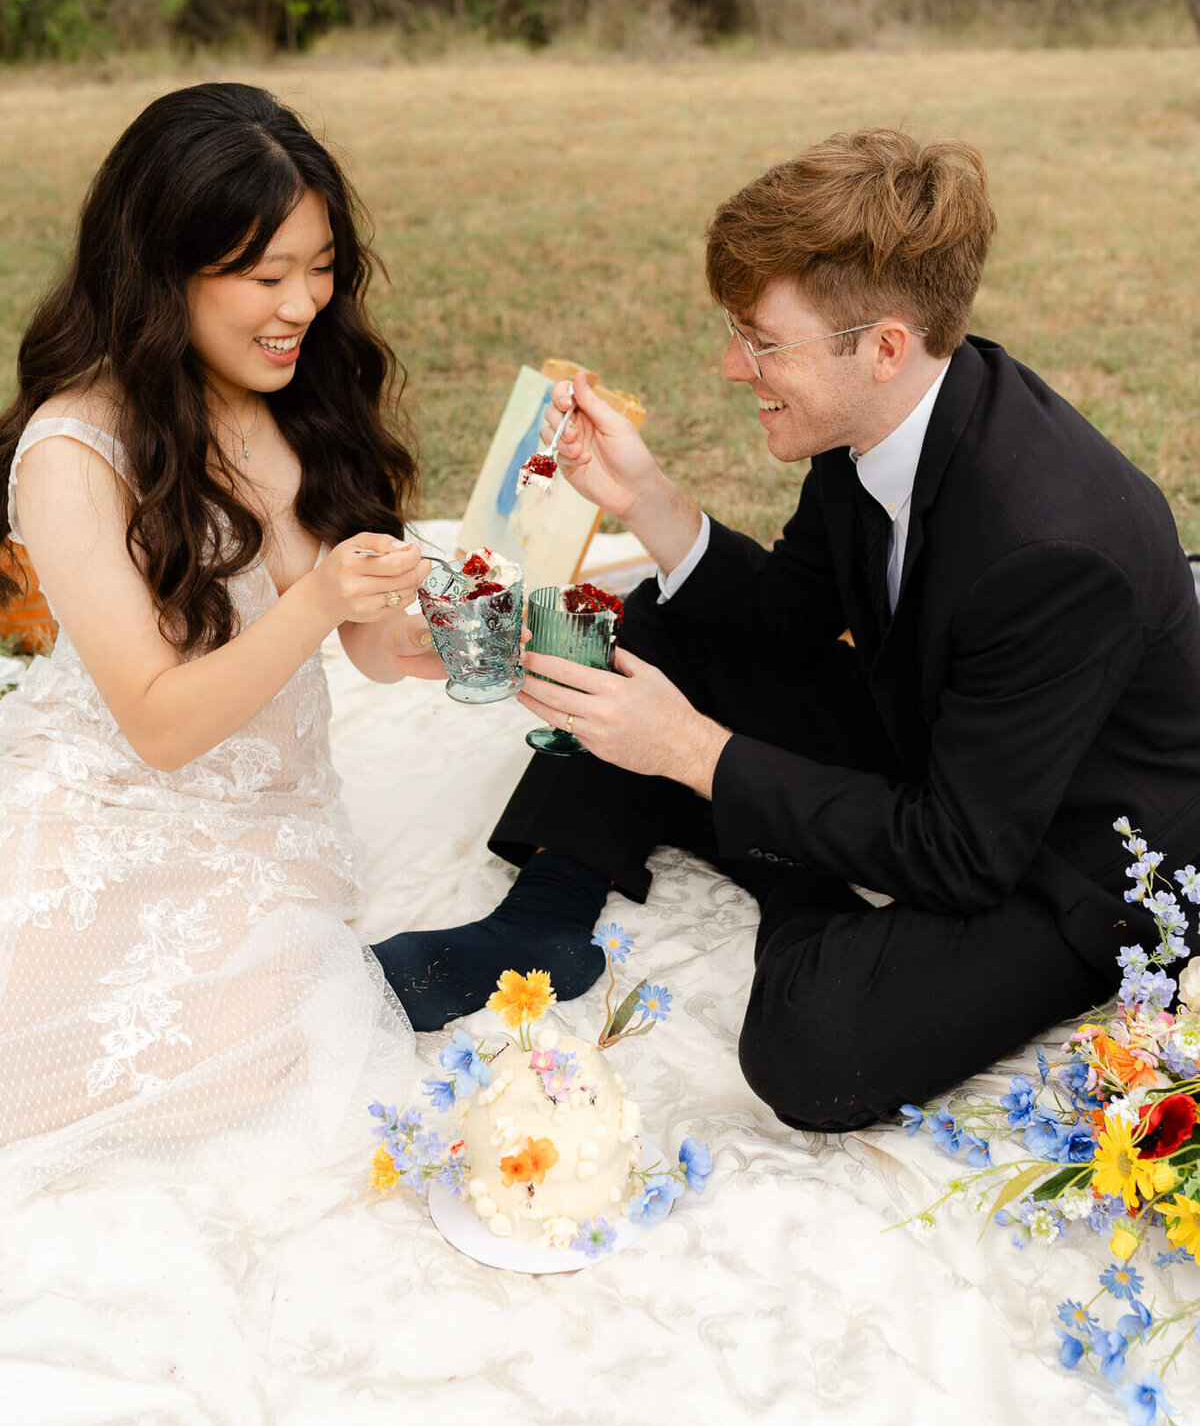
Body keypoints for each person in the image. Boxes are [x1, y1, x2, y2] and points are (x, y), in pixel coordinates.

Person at [381, 127, 1200, 1135]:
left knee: (812, 1046)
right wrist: (643, 497)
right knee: (647, 623)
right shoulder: (876, 418)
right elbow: (791, 616)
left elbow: (963, 853)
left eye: (762, 342)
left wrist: (694, 754)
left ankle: (780, 863)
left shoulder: (1055, 548)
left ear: (885, 345)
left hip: (1074, 845)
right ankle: (544, 914)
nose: (733, 367)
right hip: (938, 734)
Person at [0, 82, 437, 1205]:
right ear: (163, 272)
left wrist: (419, 629)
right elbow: (155, 723)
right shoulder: (76, 451)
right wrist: (318, 601)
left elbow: (371, 648)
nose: (304, 302)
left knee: (282, 1021)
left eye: (321, 264)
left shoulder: (292, 394)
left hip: (267, 820)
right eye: (264, 275)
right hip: (105, 797)